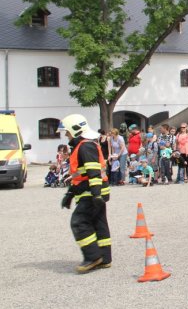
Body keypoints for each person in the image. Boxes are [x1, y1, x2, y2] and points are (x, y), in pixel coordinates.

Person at [59, 113, 111, 273]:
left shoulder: (85, 146)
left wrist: (95, 194)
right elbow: (79, 175)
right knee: (98, 223)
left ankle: (93, 257)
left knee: (79, 222)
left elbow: (93, 171)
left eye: (67, 131)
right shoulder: (83, 146)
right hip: (92, 192)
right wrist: (70, 194)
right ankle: (104, 258)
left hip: (91, 193)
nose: (66, 135)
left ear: (75, 130)